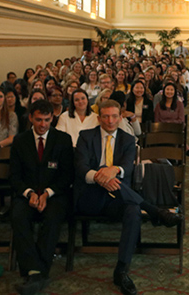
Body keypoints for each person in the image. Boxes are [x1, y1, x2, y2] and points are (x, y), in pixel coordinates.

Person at [74, 100, 182, 295]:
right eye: (105, 116)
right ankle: (155, 211)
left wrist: (113, 170)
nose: (110, 121)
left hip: (117, 198)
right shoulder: (85, 136)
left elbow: (128, 168)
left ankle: (122, 270)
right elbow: (81, 167)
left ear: (121, 117)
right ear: (99, 118)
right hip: (89, 198)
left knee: (132, 210)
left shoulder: (127, 139)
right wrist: (102, 176)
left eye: (114, 116)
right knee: (102, 173)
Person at [10, 100, 74, 295]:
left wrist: (47, 193)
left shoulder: (62, 139)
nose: (42, 124)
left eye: (47, 120)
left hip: (55, 194)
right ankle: (36, 271)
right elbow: (14, 176)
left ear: (52, 119)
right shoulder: (20, 140)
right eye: (38, 120)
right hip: (26, 193)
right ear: (30, 118)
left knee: (53, 217)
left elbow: (67, 175)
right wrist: (29, 193)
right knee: (18, 216)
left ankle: (36, 271)